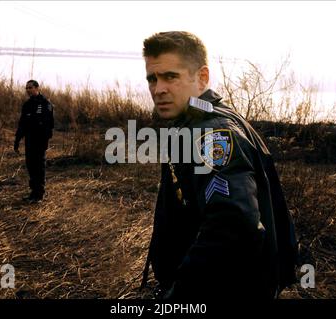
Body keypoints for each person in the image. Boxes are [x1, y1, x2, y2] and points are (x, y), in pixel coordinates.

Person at [140, 31, 299, 299]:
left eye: (170, 76)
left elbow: (233, 225)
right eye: (152, 79)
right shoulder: (197, 119)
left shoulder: (212, 131)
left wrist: (180, 293)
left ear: (202, 77)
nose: (158, 89)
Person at [14, 80, 54, 202]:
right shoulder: (27, 105)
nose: (28, 90)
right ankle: (33, 192)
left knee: (39, 166)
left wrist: (45, 141)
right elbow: (22, 124)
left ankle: (39, 194)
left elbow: (50, 124)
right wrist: (17, 140)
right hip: (29, 140)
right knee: (30, 165)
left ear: (37, 88)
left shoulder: (45, 103)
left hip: (40, 141)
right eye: (26, 88)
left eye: (30, 87)